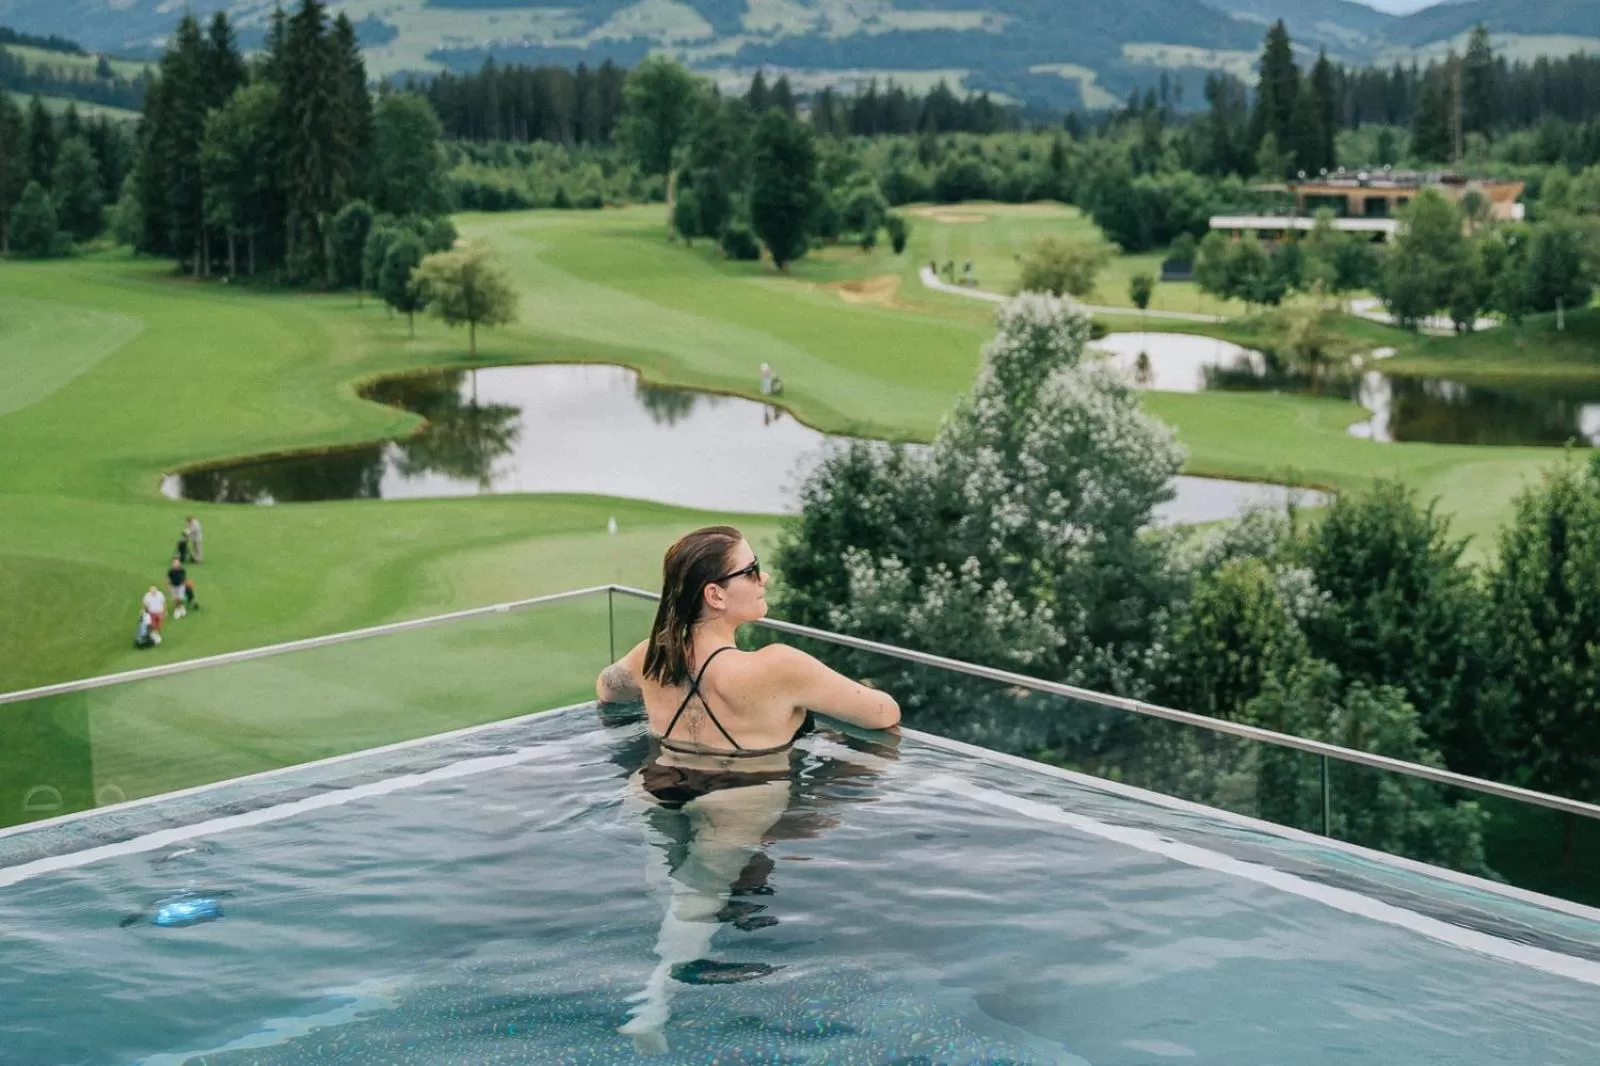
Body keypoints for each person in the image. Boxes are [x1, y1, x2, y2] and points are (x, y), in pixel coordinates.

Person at [595, 525, 899, 1052]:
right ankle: (653, 1002)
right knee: (697, 898)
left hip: (657, 781)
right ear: (716, 594)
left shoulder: (652, 655)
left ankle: (642, 980)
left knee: (668, 886)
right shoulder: (775, 666)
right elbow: (882, 714)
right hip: (739, 793)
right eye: (751, 570)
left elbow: (607, 687)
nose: (764, 578)